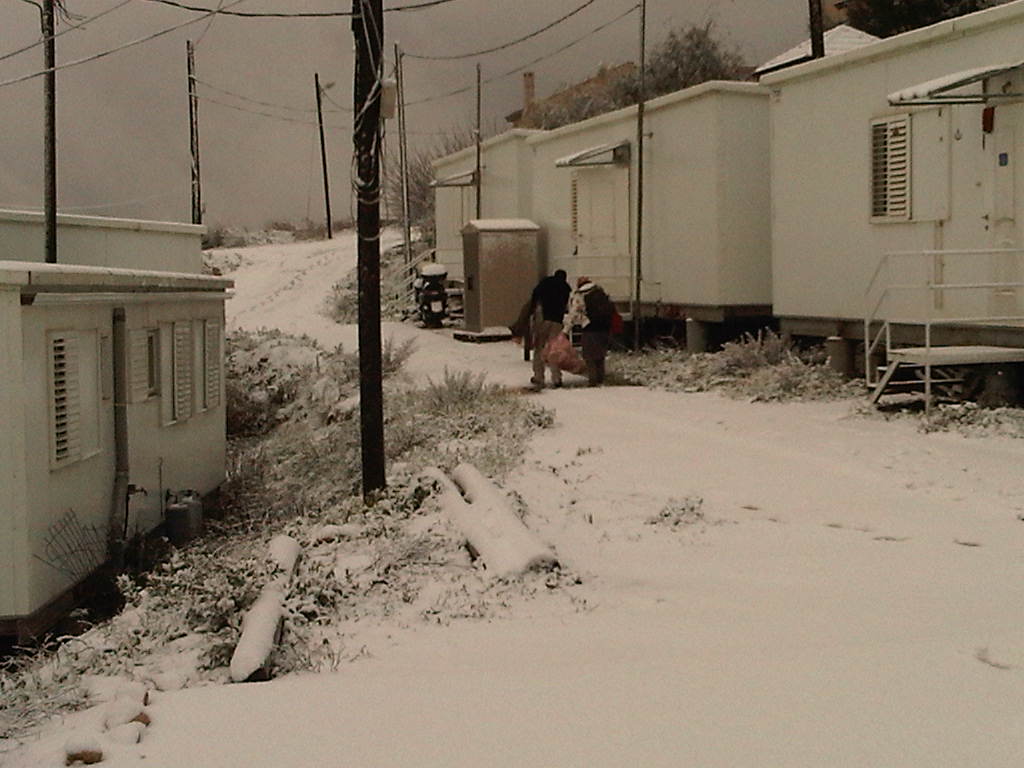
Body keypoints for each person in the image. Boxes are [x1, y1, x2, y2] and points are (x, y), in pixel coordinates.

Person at [565, 275, 614, 386]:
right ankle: (601, 379)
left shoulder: (580, 295)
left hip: (590, 328)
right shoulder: (600, 292)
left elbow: (574, 313)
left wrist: (566, 330)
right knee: (600, 355)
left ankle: (593, 380)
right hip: (605, 327)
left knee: (589, 356)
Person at [528, 269, 571, 389]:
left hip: (542, 318)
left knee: (539, 349)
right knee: (554, 350)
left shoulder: (545, 283)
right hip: (556, 321)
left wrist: (532, 311)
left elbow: (534, 295)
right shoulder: (566, 288)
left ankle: (538, 377)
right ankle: (556, 378)